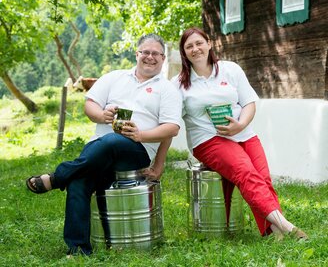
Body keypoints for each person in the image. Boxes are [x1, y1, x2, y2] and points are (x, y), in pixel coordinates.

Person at [26, 33, 182, 256]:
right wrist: (102, 115)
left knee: (113, 140)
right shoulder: (114, 77)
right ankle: (78, 250)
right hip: (98, 148)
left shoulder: (167, 90)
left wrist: (141, 136)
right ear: (136, 54)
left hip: (137, 150)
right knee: (79, 182)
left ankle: (57, 178)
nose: (150, 57)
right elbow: (90, 104)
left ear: (163, 58)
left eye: (155, 53)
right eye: (145, 52)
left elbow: (171, 128)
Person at [171, 27, 308, 240]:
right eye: (189, 46)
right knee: (246, 173)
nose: (195, 49)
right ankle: (289, 229)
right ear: (184, 52)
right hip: (207, 140)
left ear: (209, 44)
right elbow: (170, 119)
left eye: (199, 43)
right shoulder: (178, 84)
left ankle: (273, 234)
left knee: (263, 179)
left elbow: (249, 102)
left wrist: (240, 124)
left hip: (244, 134)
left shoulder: (230, 70)